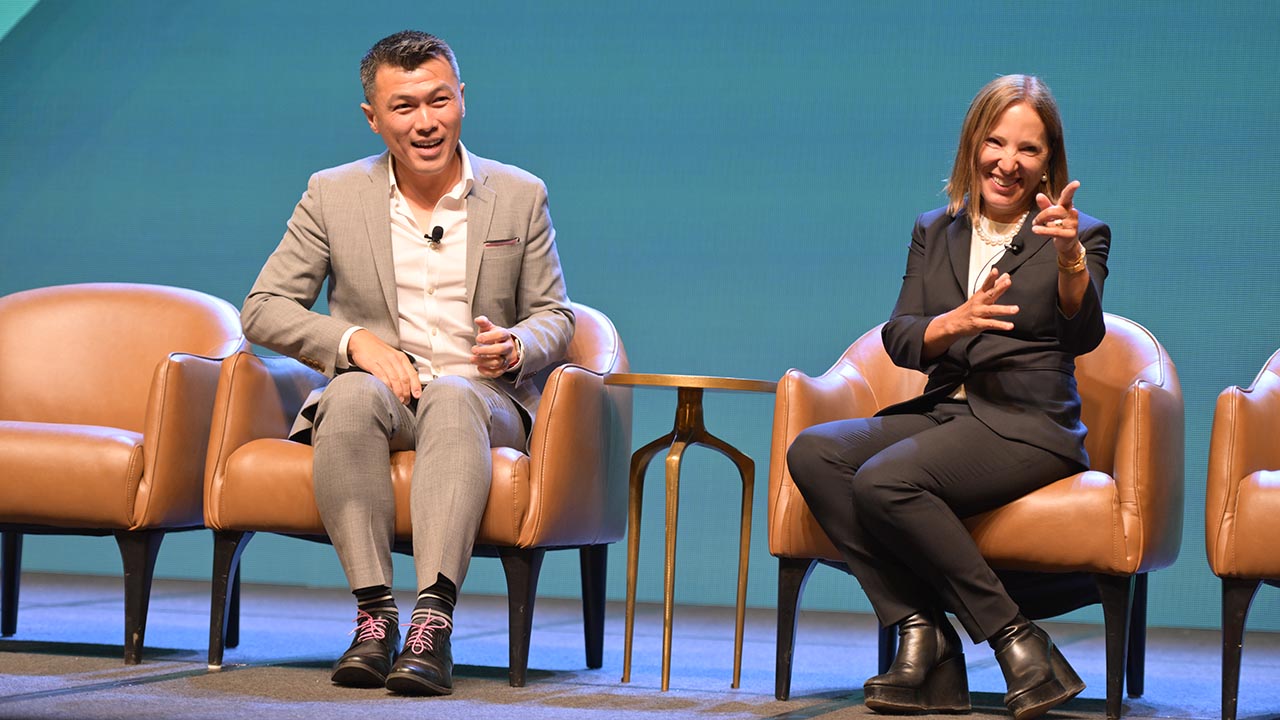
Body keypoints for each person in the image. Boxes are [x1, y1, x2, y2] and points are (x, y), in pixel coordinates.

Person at [240, 30, 574, 696]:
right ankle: (374, 617)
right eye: (404, 107)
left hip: (483, 400)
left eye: (439, 101)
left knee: (452, 394)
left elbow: (557, 317)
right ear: (373, 117)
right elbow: (263, 308)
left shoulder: (517, 194)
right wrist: (354, 343)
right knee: (352, 395)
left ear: (461, 101)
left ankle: (433, 623)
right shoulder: (333, 194)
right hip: (382, 395)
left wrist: (514, 345)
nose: (426, 123)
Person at [786, 74, 1109, 720]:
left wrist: (1071, 258)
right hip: (945, 415)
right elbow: (901, 336)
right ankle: (923, 633)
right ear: (972, 145)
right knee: (815, 453)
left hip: (1029, 425)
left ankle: (1016, 639)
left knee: (884, 483)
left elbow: (1083, 333)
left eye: (1029, 150)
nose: (1008, 163)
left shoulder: (1077, 233)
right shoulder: (935, 230)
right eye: (995, 143)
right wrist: (951, 323)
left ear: (1050, 160)